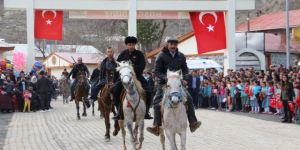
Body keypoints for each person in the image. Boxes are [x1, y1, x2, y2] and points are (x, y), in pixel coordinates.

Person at [146, 38, 201, 136]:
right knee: (156, 101)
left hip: (177, 83)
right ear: (167, 44)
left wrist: (185, 79)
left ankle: (193, 122)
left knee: (189, 98)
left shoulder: (181, 56)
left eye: (175, 44)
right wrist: (166, 79)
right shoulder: (161, 56)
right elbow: (157, 71)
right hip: (164, 83)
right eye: (171, 44)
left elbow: (185, 70)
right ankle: (156, 125)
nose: (173, 46)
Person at [112, 36, 153, 120]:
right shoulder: (122, 54)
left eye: (132, 44)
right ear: (127, 45)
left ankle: (146, 112)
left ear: (135, 45)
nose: (131, 46)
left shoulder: (139, 54)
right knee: (115, 91)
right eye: (129, 44)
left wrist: (131, 69)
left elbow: (142, 65)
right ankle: (119, 111)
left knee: (148, 91)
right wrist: (115, 80)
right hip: (124, 78)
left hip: (137, 77)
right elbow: (118, 67)